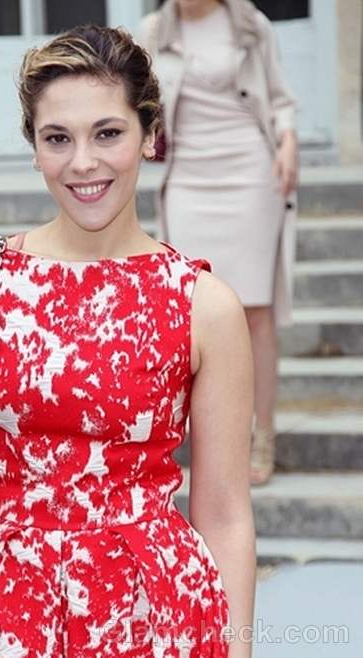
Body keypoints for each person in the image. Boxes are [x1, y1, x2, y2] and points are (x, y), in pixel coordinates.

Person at [0, 24, 256, 658]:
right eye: (58, 138)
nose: (83, 162)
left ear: (150, 136)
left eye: (108, 133)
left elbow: (224, 515)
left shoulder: (205, 306)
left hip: (154, 615)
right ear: (34, 149)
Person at [136, 0, 299, 486]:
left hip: (250, 170)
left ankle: (261, 434)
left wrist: (288, 141)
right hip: (187, 177)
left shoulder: (250, 23)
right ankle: (203, 438)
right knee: (189, 312)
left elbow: (281, 97)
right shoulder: (154, 30)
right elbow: (135, 103)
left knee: (255, 311)